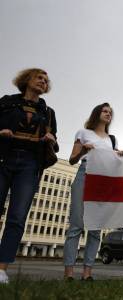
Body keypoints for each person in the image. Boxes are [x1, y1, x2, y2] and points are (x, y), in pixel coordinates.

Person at [0, 69, 58, 284]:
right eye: (39, 78)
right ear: (26, 80)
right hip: (3, 158)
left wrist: (50, 139)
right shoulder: (6, 102)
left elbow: (54, 143)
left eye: (46, 80)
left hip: (29, 164)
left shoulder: (48, 112)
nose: (43, 81)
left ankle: (1, 268)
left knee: (17, 217)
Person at [63, 103, 123, 281]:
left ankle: (87, 273)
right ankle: (69, 273)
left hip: (103, 180)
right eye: (105, 111)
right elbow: (72, 160)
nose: (108, 114)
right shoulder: (83, 133)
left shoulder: (112, 140)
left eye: (110, 113)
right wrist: (83, 149)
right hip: (84, 174)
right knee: (76, 225)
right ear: (97, 113)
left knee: (96, 228)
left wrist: (119, 156)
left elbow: (113, 163)